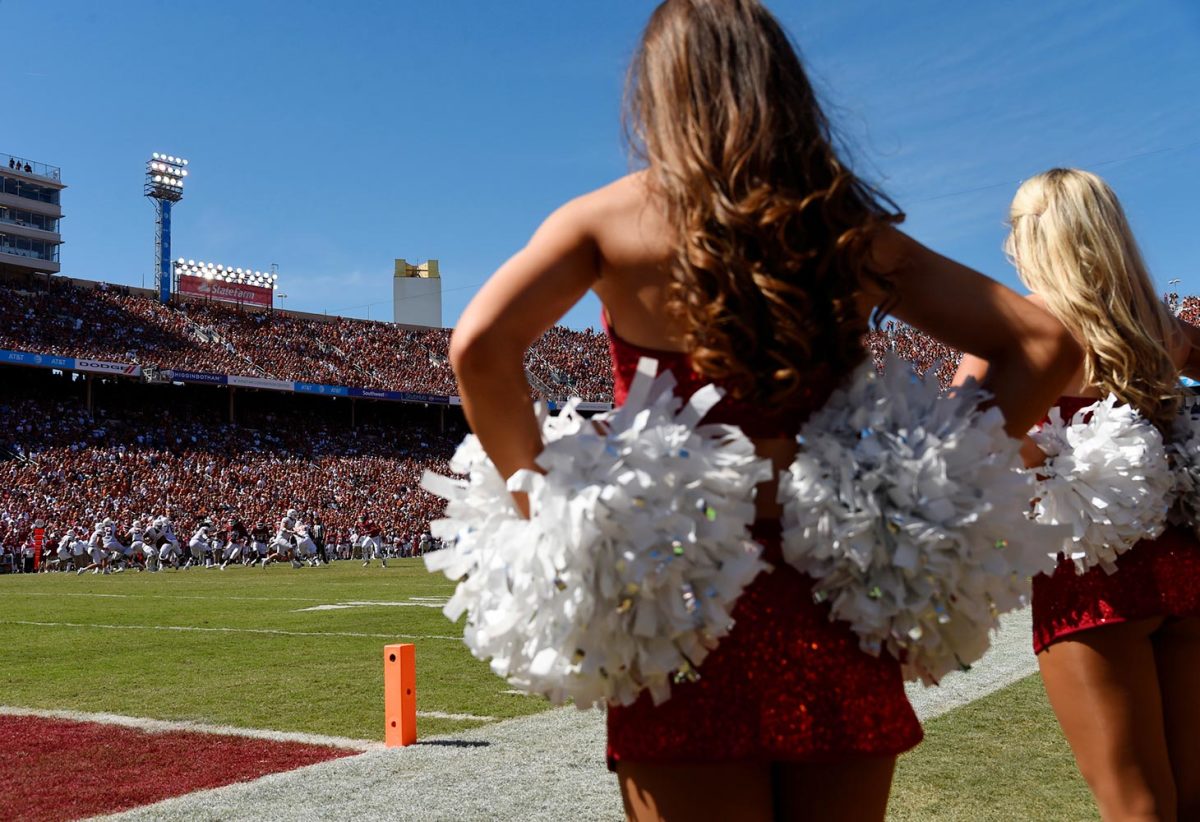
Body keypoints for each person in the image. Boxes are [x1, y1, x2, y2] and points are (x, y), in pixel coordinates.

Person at [448, 2, 1078, 818]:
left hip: (677, 609)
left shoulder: (606, 221)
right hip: (840, 592)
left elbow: (478, 349)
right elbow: (1046, 346)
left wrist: (539, 497)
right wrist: (936, 470)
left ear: (659, 92)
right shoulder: (847, 227)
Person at [955, 168, 1200, 820]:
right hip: (1185, 568)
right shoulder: (1162, 329)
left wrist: (1055, 462)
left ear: (1030, 237)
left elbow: (954, 436)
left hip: (1089, 579)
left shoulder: (1019, 330)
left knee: (1138, 806)